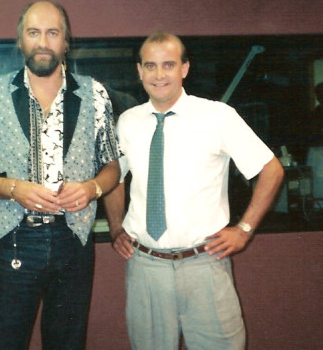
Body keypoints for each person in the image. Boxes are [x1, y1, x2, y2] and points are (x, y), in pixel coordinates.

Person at [0, 1, 120, 350]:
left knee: (67, 344)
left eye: (52, 32)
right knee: (1, 343)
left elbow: (112, 167)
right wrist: (13, 189)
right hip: (15, 239)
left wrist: (92, 188)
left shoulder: (96, 94)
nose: (42, 41)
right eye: (33, 32)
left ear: (66, 42)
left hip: (74, 242)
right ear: (20, 40)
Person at [104, 31, 284, 350]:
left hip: (205, 265)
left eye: (169, 65)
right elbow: (113, 177)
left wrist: (244, 229)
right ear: (139, 70)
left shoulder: (217, 116)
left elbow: (271, 169)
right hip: (146, 268)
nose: (159, 75)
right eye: (150, 65)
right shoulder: (128, 122)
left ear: (185, 69)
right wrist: (117, 227)